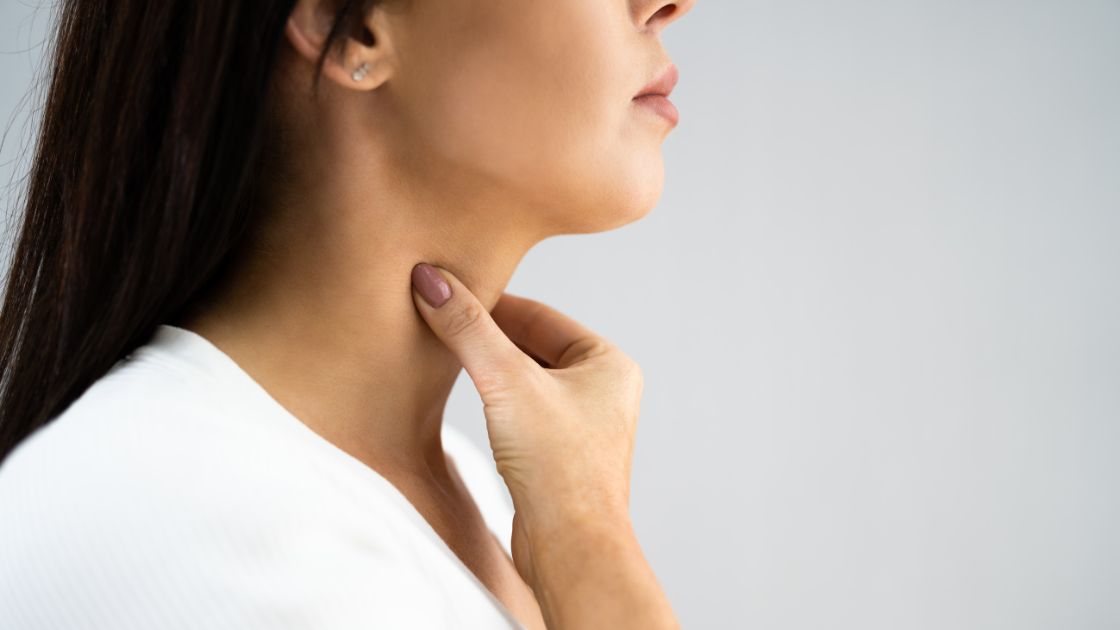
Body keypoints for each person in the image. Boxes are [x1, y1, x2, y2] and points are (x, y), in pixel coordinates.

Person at [0, 0, 695, 627]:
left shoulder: (470, 493)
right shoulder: (188, 514)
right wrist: (590, 537)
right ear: (351, 25)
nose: (671, 3)